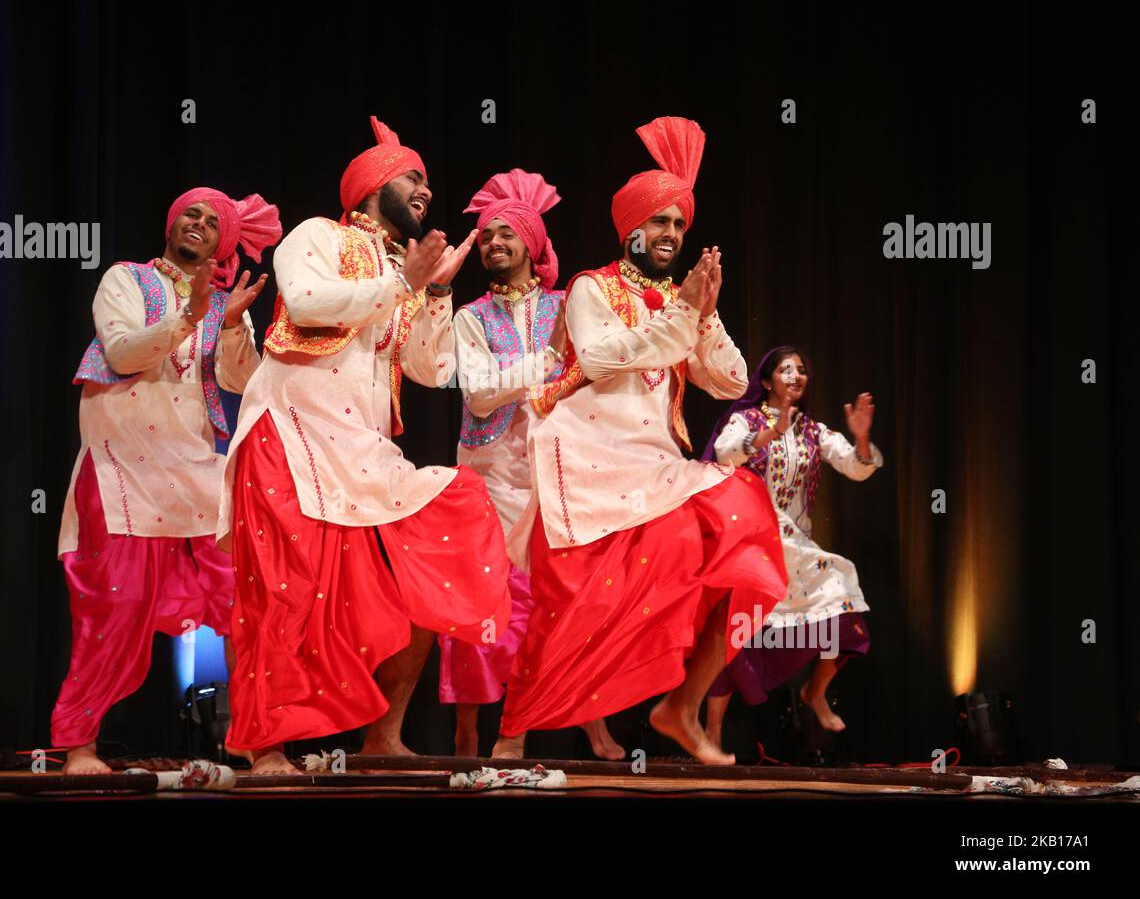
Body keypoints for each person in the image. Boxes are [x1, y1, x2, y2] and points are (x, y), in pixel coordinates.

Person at [218, 117, 512, 774]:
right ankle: (265, 744)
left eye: (429, 184)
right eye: (414, 178)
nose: (426, 192)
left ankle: (384, 730)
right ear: (369, 187)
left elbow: (431, 371)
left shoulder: (401, 270)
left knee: (440, 546)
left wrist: (435, 290)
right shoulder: (316, 236)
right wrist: (405, 282)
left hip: (363, 452)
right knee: (281, 592)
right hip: (287, 435)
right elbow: (307, 299)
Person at [493, 117, 788, 766]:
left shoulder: (678, 299)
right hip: (584, 470)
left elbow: (733, 377)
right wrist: (684, 314)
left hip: (653, 471)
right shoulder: (591, 289)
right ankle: (509, 741)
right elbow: (599, 357)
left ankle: (680, 705)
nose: (671, 235)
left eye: (679, 225)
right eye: (660, 223)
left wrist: (702, 314)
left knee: (743, 523)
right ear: (630, 228)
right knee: (565, 617)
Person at [53, 187, 280, 774]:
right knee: (113, 607)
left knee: (245, 604)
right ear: (172, 223)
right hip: (123, 467)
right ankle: (80, 746)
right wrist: (190, 317)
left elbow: (244, 379)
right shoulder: (125, 280)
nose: (199, 224)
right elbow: (124, 352)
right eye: (191, 213)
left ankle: (259, 740)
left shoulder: (225, 301)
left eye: (212, 222)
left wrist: (229, 326)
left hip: (197, 471)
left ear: (223, 243)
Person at [442, 169, 623, 759]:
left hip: (559, 468)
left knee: (566, 599)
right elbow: (476, 392)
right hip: (490, 471)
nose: (494, 243)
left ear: (532, 244)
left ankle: (583, 721)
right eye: (487, 236)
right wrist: (541, 365)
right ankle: (471, 724)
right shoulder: (470, 317)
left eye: (506, 234)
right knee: (484, 601)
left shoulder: (569, 304)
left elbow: (597, 369)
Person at [704, 346, 881, 744]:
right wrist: (769, 432)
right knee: (735, 634)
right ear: (766, 382)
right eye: (786, 370)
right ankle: (712, 733)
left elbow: (856, 466)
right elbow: (724, 454)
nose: (796, 376)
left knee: (844, 606)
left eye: (801, 370)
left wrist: (863, 438)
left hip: (795, 549)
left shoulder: (813, 430)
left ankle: (815, 692)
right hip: (749, 544)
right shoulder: (744, 420)